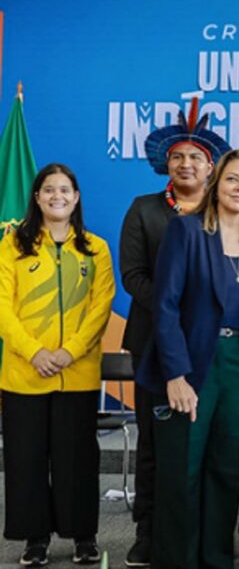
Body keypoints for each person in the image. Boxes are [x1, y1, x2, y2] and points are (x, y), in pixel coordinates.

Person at [135, 149, 239, 569]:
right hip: (191, 364)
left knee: (226, 470)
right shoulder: (186, 231)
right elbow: (165, 306)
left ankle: (217, 559)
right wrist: (175, 375)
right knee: (182, 472)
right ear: (218, 184)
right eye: (234, 180)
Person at [119, 97, 231, 567]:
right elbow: (134, 276)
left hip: (211, 351)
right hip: (154, 348)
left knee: (207, 448)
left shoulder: (224, 211)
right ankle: (148, 533)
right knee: (155, 443)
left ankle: (200, 535)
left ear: (211, 167)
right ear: (167, 162)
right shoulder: (145, 209)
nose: (187, 164)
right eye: (178, 156)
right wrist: (177, 313)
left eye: (196, 158)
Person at [0, 163, 115, 566]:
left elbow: (101, 307)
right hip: (23, 374)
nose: (57, 197)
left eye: (65, 190)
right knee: (26, 458)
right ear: (36, 197)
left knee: (77, 459)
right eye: (49, 190)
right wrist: (35, 352)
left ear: (77, 197)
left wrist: (69, 352)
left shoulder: (96, 249)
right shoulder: (12, 245)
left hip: (78, 375)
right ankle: (35, 539)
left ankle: (83, 537)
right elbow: (3, 308)